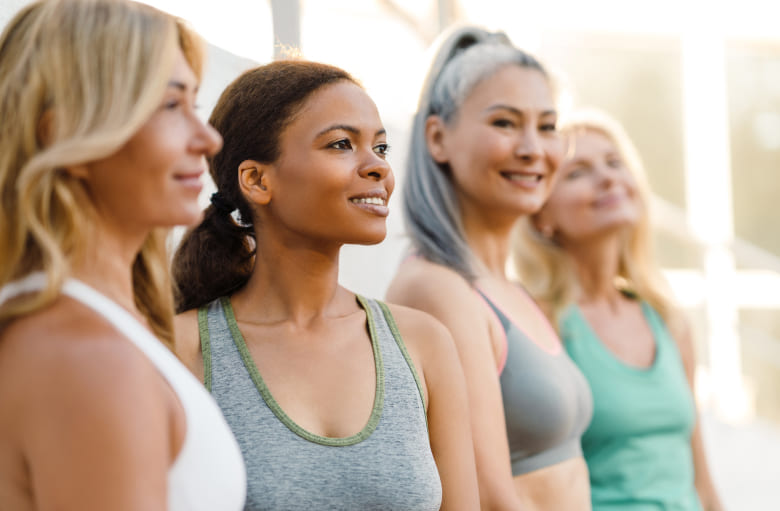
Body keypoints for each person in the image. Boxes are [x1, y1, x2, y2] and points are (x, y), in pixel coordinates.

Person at [171, 59, 479, 510]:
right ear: (256, 180)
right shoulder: (182, 350)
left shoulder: (423, 343)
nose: (377, 167)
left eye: (381, 148)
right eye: (341, 144)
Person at [0, 1, 247, 509]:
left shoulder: (93, 329)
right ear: (66, 134)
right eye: (171, 106)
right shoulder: (84, 356)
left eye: (194, 105)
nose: (208, 138)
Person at [385, 26, 593, 510]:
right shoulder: (437, 288)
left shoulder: (508, 288)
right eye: (504, 123)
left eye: (547, 126)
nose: (533, 149)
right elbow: (488, 497)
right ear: (437, 137)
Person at [513, 108, 724, 511]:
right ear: (542, 214)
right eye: (578, 172)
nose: (608, 178)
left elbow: (703, 482)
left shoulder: (667, 319)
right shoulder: (536, 323)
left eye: (614, 163)